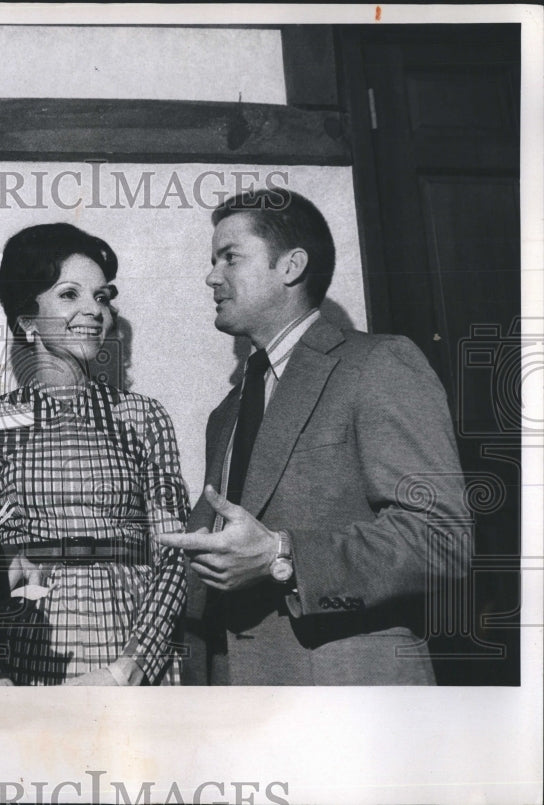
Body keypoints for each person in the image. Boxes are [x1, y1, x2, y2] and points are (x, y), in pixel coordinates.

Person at [157, 188, 470, 685]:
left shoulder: (379, 364)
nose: (211, 276)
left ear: (291, 266)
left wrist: (282, 555)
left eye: (230, 257)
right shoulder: (228, 412)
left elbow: (442, 541)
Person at [0, 223, 189, 686]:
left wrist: (131, 667)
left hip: (130, 641)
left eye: (102, 297)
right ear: (27, 321)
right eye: (70, 295)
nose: (93, 311)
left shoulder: (143, 416)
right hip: (30, 645)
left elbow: (176, 555)